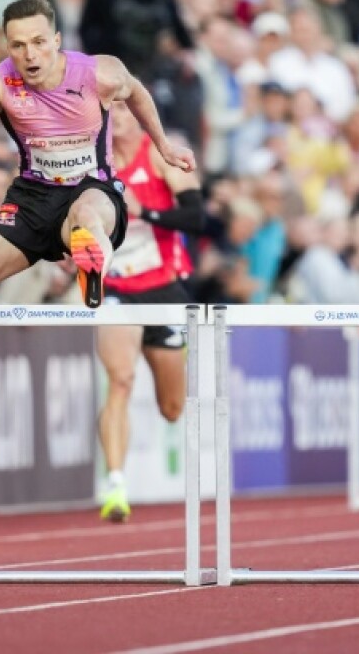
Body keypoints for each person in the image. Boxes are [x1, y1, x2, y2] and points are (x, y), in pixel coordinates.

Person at [0, 0, 196, 308]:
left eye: (38, 42)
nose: (30, 55)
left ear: (56, 40)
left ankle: (91, 265)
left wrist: (164, 145)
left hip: (92, 187)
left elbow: (137, 94)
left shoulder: (99, 73)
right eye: (18, 45)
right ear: (8, 47)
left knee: (87, 215)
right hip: (31, 201)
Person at [96, 101, 203, 523]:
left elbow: (197, 217)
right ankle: (116, 484)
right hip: (115, 287)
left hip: (163, 288)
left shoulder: (161, 155)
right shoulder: (93, 164)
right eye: (108, 110)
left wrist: (146, 213)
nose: (115, 116)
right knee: (120, 380)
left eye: (122, 108)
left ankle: (182, 353)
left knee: (172, 408)